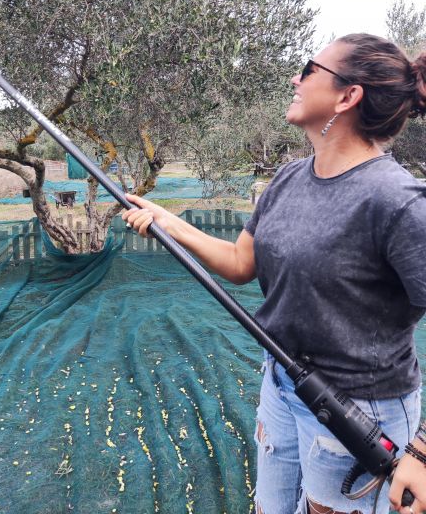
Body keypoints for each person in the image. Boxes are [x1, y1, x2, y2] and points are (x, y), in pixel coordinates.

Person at [122, 33, 426, 514]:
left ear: (348, 96)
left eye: (308, 69)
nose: (295, 78)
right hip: (284, 387)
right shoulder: (288, 177)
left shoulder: (397, 201)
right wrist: (168, 221)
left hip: (361, 413)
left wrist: (421, 452)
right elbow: (243, 264)